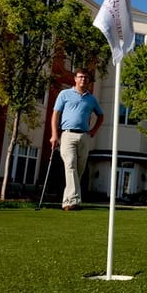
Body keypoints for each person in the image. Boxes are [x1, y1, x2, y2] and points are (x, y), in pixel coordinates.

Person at [50, 68, 104, 211]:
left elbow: (101, 115)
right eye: (80, 77)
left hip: (84, 136)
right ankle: (75, 201)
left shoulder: (91, 99)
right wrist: (54, 135)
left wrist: (93, 130)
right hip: (67, 135)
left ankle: (67, 202)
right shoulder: (65, 94)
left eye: (86, 78)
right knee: (70, 165)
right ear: (75, 79)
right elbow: (55, 115)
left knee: (78, 171)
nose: (83, 80)